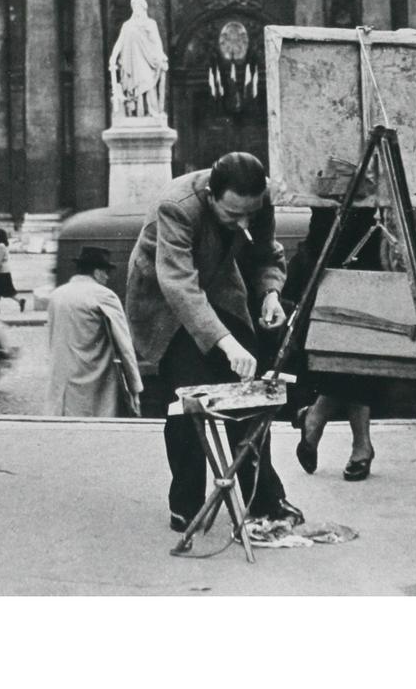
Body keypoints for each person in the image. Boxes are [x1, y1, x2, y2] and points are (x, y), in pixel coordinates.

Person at [125, 151, 303, 533]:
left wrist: (270, 293)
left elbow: (264, 253)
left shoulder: (258, 200)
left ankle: (262, 500)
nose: (243, 223)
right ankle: (186, 503)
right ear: (209, 195)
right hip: (165, 301)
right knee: (189, 399)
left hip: (219, 289)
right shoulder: (176, 206)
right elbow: (180, 286)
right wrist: (226, 343)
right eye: (232, 216)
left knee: (250, 396)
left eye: (249, 216)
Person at [284, 207, 387, 482]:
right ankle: (360, 443)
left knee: (360, 341)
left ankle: (316, 417)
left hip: (367, 234)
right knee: (340, 340)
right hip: (331, 232)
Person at [46, 245, 142, 417]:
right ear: (97, 272)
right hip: (93, 382)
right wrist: (134, 387)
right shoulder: (103, 295)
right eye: (106, 273)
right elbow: (124, 345)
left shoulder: (56, 295)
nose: (107, 278)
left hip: (61, 381)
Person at [108, 0, 168, 118]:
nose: (136, 10)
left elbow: (156, 42)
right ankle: (136, 114)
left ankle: (152, 111)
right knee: (134, 88)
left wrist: (161, 56)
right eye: (134, 7)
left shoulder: (151, 24)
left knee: (148, 83)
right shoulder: (127, 25)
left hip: (147, 60)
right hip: (131, 61)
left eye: (138, 7)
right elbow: (120, 42)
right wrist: (113, 56)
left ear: (143, 8)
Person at [0, 227, 25, 314]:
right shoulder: (4, 246)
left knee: (7, 291)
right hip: (5, 271)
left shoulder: (0, 246)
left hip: (2, 272)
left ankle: (20, 301)